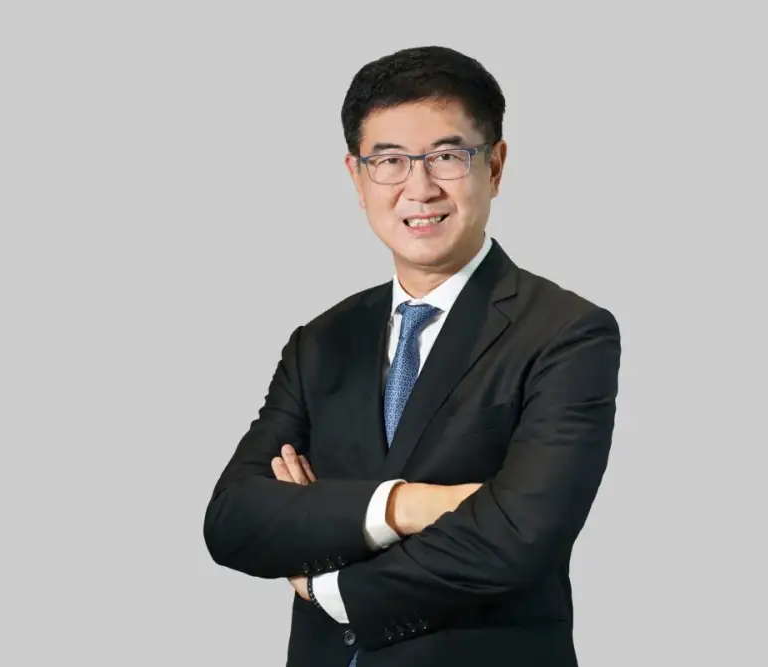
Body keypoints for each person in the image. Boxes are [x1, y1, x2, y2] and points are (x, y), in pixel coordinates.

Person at [203, 45, 622, 667]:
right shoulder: (321, 341)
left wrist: (330, 582)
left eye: (448, 157)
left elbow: (519, 537)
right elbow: (233, 519)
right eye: (390, 161)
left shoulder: (566, 332)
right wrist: (408, 506)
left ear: (495, 167)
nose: (419, 189)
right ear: (357, 177)